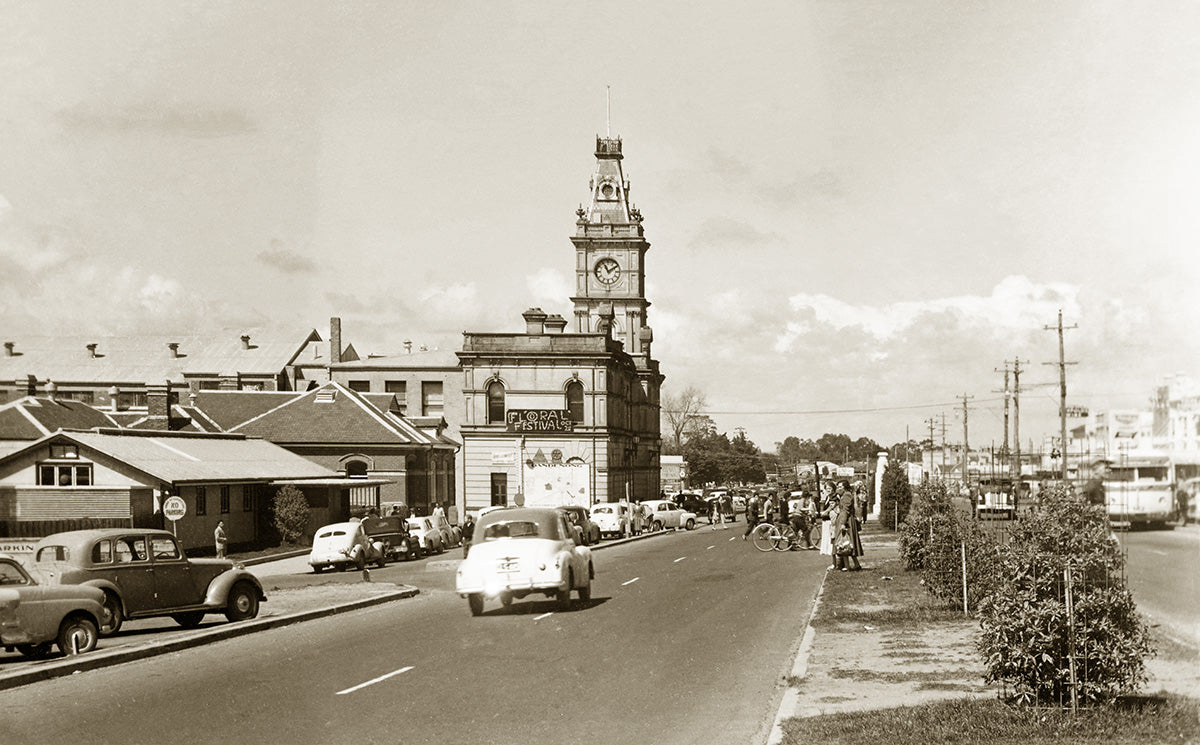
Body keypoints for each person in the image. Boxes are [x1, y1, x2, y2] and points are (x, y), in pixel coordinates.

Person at [832, 480, 863, 571]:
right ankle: (854, 565)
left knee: (845, 543)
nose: (838, 489)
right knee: (847, 543)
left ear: (845, 487)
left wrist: (842, 523)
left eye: (840, 487)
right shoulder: (845, 495)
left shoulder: (846, 496)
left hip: (846, 521)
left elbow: (846, 510)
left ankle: (847, 566)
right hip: (844, 520)